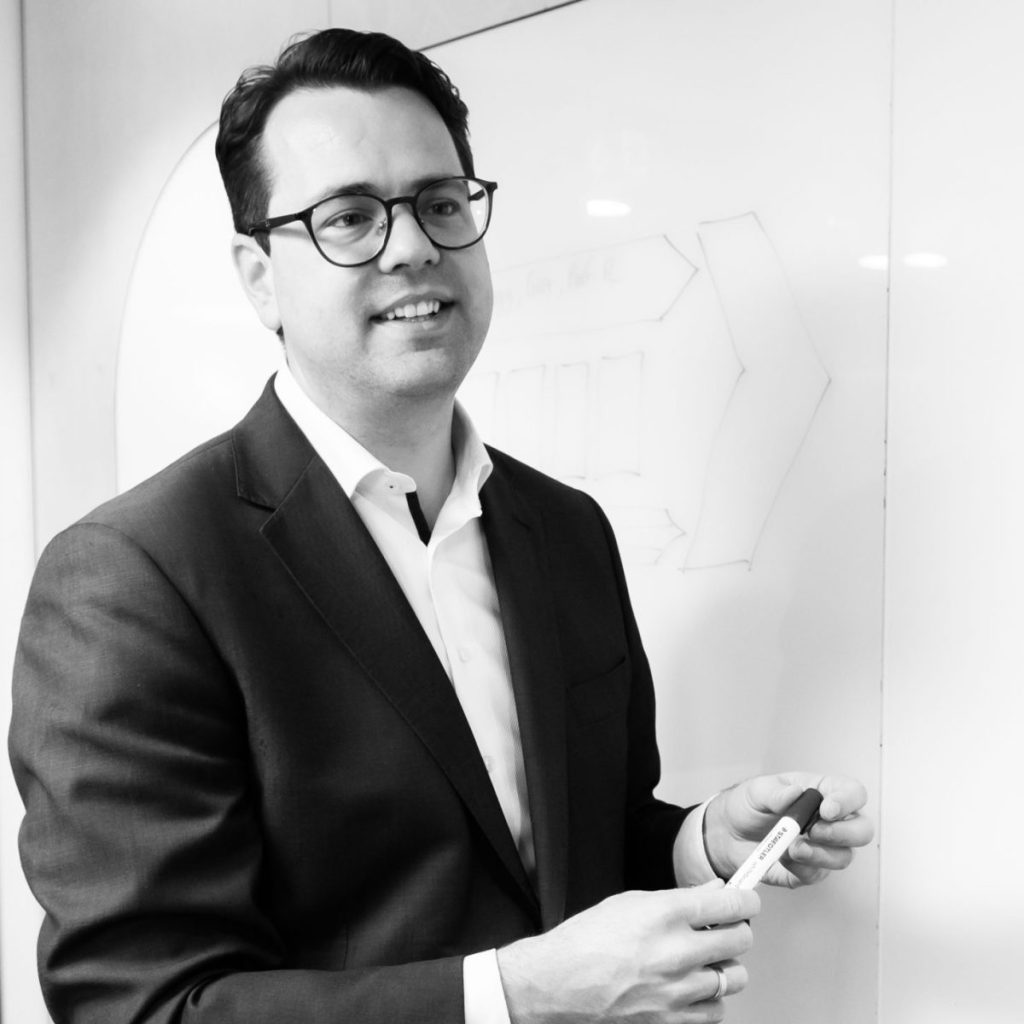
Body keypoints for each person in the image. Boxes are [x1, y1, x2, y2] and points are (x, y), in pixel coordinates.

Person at [9, 28, 872, 1024]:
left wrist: (699, 842)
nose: (413, 244)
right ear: (258, 275)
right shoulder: (135, 577)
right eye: (349, 217)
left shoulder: (565, 529)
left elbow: (561, 848)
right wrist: (516, 995)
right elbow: (144, 1003)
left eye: (441, 203)